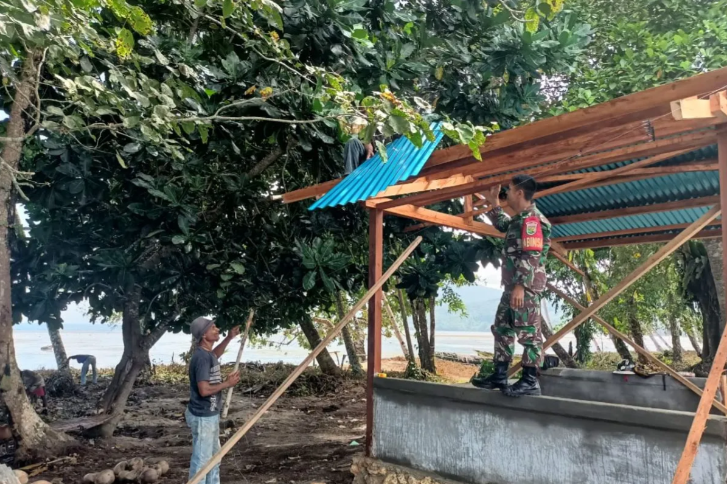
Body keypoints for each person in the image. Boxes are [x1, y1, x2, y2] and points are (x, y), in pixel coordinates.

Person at [471, 174, 551, 397]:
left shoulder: (533, 220)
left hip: (524, 288)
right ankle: (499, 375)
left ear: (519, 192)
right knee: (502, 329)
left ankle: (529, 380)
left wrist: (521, 286)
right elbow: (502, 225)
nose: (506, 193)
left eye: (508, 189)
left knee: (529, 334)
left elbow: (532, 254)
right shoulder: (520, 219)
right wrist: (494, 202)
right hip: (512, 288)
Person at [186, 317, 241, 484]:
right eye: (213, 328)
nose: (217, 329)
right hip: (203, 416)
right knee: (202, 462)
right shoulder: (202, 358)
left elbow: (214, 355)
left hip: (209, 414)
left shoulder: (207, 354)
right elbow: (204, 390)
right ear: (204, 335)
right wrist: (227, 384)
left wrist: (229, 337)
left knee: (214, 458)